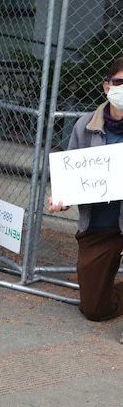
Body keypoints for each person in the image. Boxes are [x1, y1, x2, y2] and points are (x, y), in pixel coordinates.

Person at [48, 57, 123, 334]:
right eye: (119, 82)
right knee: (93, 310)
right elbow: (74, 175)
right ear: (107, 87)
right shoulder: (84, 126)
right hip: (100, 227)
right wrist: (62, 197)